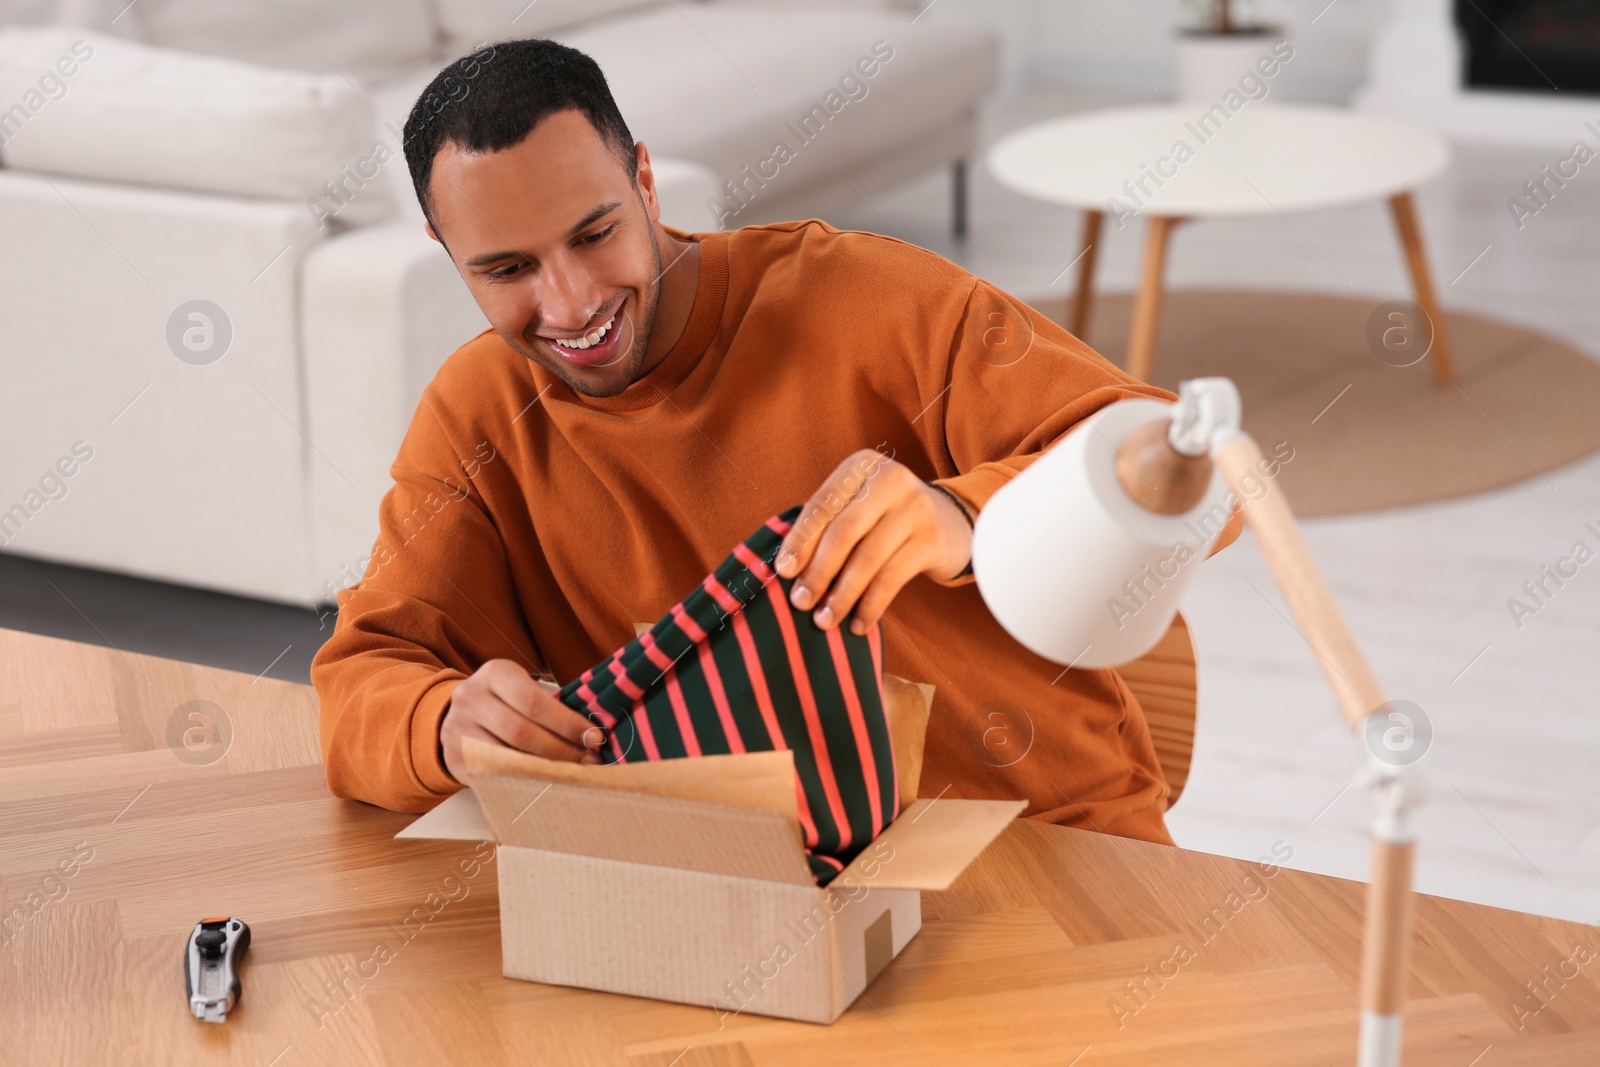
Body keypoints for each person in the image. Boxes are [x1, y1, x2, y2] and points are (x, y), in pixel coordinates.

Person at [311, 37, 1240, 846]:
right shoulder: (480, 415)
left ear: (642, 178)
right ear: (444, 248)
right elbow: (362, 687)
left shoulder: (866, 297)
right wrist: (442, 722)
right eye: (507, 269)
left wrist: (964, 515)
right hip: (762, 889)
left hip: (1050, 836)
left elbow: (1204, 477)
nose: (571, 302)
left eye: (595, 234)